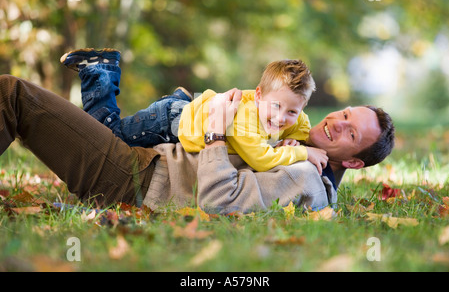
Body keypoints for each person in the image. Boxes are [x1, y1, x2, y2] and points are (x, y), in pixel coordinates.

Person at [0, 74, 394, 214]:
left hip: (132, 178)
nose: (335, 124)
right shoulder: (295, 139)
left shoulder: (306, 178)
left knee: (13, 95)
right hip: (144, 161)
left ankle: (101, 73)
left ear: (355, 163)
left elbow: (218, 200)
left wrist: (216, 134)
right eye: (343, 115)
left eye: (351, 134)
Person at [60, 48, 329, 174]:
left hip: (186, 114)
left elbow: (301, 126)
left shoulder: (290, 118)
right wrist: (303, 152)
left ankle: (182, 99)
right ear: (258, 95)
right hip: (168, 124)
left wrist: (297, 139)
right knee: (110, 137)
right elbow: (261, 159)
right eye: (276, 106)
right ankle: (100, 69)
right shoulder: (244, 118)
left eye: (292, 112)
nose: (281, 118)